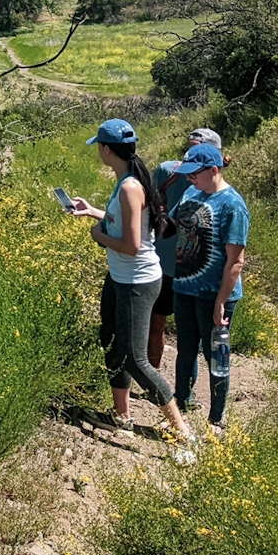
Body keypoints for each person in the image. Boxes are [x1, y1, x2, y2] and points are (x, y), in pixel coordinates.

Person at [70, 119, 196, 454]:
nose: (99, 150)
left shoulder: (129, 186)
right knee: (111, 343)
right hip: (120, 278)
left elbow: (132, 245)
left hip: (137, 282)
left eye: (99, 145)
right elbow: (131, 223)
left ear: (106, 149)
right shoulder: (128, 179)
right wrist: (93, 212)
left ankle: (181, 430)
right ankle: (121, 416)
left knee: (137, 360)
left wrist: (98, 237)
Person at [168, 142, 250, 438]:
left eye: (195, 174)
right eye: (187, 174)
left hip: (214, 295)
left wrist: (221, 301)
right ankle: (181, 404)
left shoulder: (233, 206)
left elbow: (235, 261)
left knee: (216, 356)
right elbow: (170, 222)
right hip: (185, 287)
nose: (190, 180)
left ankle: (215, 420)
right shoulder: (192, 192)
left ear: (214, 171)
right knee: (185, 350)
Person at [148, 128, 223, 377]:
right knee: (155, 323)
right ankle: (153, 383)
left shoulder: (220, 191)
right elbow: (151, 211)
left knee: (193, 336)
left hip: (196, 273)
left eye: (199, 151)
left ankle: (189, 395)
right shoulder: (167, 172)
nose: (191, 155)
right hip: (165, 264)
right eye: (189, 149)